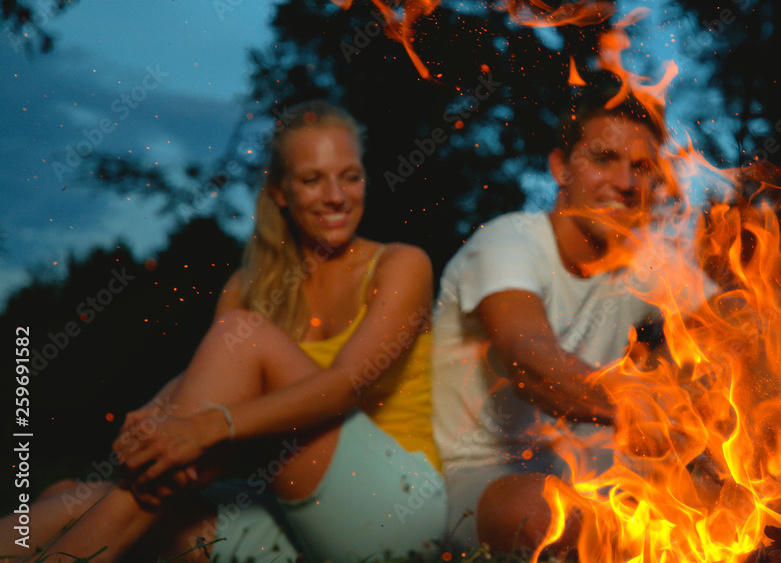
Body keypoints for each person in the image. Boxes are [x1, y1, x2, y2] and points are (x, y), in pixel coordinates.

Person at [1, 100, 446, 563]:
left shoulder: (400, 264)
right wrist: (156, 414)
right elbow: (211, 383)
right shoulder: (247, 287)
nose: (336, 196)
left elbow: (343, 387)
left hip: (393, 507)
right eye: (312, 179)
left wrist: (206, 428)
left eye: (350, 176)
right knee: (69, 496)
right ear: (279, 191)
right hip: (293, 519)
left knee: (242, 338)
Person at [431, 89, 668, 553]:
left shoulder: (642, 265)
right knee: (545, 516)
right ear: (561, 168)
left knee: (728, 498)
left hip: (596, 467)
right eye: (605, 158)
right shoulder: (508, 241)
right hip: (489, 476)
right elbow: (530, 362)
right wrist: (636, 413)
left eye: (641, 168)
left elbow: (727, 319)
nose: (625, 183)